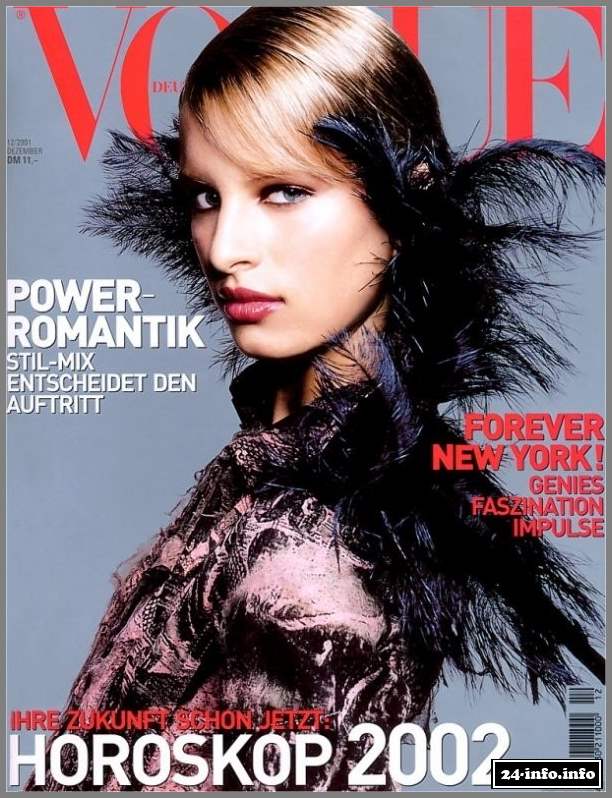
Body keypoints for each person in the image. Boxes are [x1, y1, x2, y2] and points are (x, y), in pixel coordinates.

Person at [28, 6, 604, 792]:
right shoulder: (278, 471)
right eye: (206, 196)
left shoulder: (310, 578)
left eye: (284, 190)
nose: (226, 249)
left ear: (405, 206)